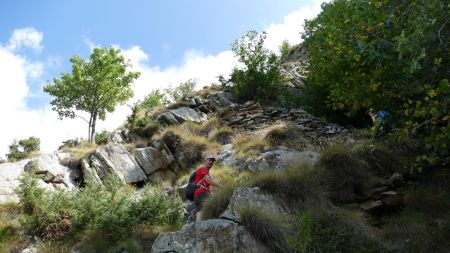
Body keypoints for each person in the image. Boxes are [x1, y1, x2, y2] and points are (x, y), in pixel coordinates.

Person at [193, 154, 221, 221]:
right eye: (209, 160)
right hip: (201, 193)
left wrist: (214, 195)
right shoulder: (203, 169)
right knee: (214, 207)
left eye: (212, 161)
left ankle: (197, 226)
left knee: (200, 210)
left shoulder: (206, 172)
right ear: (205, 161)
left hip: (197, 194)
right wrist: (221, 186)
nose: (211, 162)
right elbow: (208, 181)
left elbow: (209, 190)